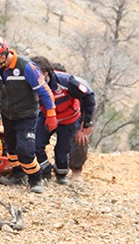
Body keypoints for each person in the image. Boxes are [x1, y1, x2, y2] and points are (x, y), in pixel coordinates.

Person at [0, 36, 56, 193]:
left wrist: (51, 114)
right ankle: (18, 173)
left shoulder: (26, 67)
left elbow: (45, 91)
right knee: (11, 149)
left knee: (25, 150)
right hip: (8, 114)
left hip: (26, 115)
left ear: (2, 56)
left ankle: (36, 178)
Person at [30, 56, 96, 185]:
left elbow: (89, 98)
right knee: (35, 142)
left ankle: (69, 172)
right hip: (47, 116)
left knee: (69, 146)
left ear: (47, 72)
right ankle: (45, 170)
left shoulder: (69, 83)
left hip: (71, 118)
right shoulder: (31, 84)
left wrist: (86, 123)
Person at [52, 62, 95, 182]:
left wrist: (83, 127)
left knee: (81, 138)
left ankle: (76, 170)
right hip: (50, 114)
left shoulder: (75, 86)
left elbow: (88, 107)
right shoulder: (43, 83)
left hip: (76, 115)